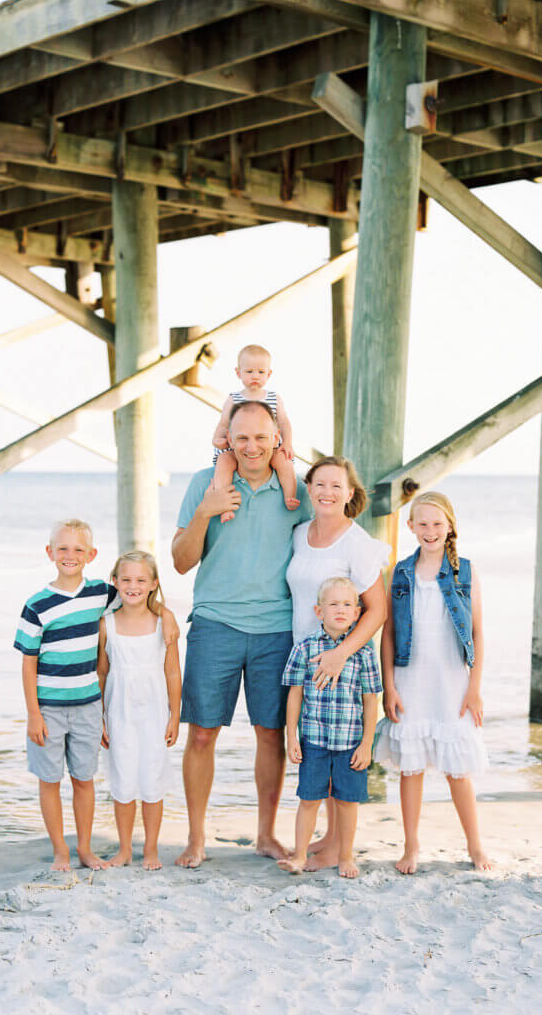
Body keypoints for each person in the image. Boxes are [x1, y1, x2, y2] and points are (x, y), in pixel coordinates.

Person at [172, 399, 312, 868]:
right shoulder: (204, 484)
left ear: (277, 439)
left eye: (260, 437)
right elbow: (180, 560)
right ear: (227, 439)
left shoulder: (298, 494)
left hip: (277, 628)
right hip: (215, 623)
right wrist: (206, 512)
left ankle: (266, 836)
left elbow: (328, 543)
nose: (251, 447)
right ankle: (196, 838)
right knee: (202, 736)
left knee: (271, 735)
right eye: (242, 438)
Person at [374, 491, 492, 873]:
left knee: (458, 767)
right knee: (412, 767)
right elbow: (389, 633)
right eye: (422, 524)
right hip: (411, 678)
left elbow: (476, 632)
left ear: (450, 527)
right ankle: (411, 846)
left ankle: (475, 846)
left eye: (437, 524)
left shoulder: (465, 571)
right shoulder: (401, 572)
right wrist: (389, 686)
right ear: (410, 527)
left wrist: (474, 688)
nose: (430, 531)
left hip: (452, 680)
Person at [285, 455, 388, 870]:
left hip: (340, 659)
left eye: (336, 486)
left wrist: (341, 654)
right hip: (305, 654)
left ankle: (333, 844)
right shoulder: (297, 534)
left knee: (340, 748)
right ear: (308, 488)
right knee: (316, 745)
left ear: (349, 494)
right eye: (319, 484)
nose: (327, 492)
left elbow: (376, 610)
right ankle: (324, 840)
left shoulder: (358, 544)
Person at [14, 518, 115, 872]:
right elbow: (28, 664)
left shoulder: (102, 593)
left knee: (84, 779)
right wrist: (33, 714)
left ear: (91, 554)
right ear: (49, 552)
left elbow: (140, 595)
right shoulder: (37, 605)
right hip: (49, 710)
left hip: (88, 706)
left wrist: (164, 616)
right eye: (62, 548)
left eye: (77, 549)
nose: (69, 556)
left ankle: (85, 849)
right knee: (50, 780)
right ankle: (60, 851)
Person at [279, 577, 381, 879]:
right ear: (318, 611)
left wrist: (367, 744)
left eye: (347, 604)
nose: (340, 609)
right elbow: (295, 693)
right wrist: (291, 736)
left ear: (357, 612)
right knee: (309, 798)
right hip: (314, 740)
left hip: (350, 742)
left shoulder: (363, 651)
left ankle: (345, 857)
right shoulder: (305, 647)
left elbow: (371, 700)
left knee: (348, 801)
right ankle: (298, 855)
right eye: (333, 604)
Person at [97, 550, 182, 870]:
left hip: (154, 711)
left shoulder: (163, 623)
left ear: (154, 584)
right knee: (122, 779)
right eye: (126, 579)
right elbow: (102, 673)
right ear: (115, 581)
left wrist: (175, 714)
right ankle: (124, 849)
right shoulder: (107, 624)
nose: (133, 586)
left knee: (152, 779)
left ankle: (150, 849)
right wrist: (100, 717)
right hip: (119, 713)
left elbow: (173, 671)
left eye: (141, 580)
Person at [211, 344, 298, 521]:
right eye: (249, 371)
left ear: (269, 374)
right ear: (238, 373)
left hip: (269, 447)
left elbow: (284, 423)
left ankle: (290, 496)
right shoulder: (233, 399)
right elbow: (223, 424)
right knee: (223, 464)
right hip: (235, 447)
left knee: (284, 462)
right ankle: (224, 504)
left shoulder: (274, 398)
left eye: (260, 372)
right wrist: (217, 439)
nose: (255, 377)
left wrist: (287, 443)